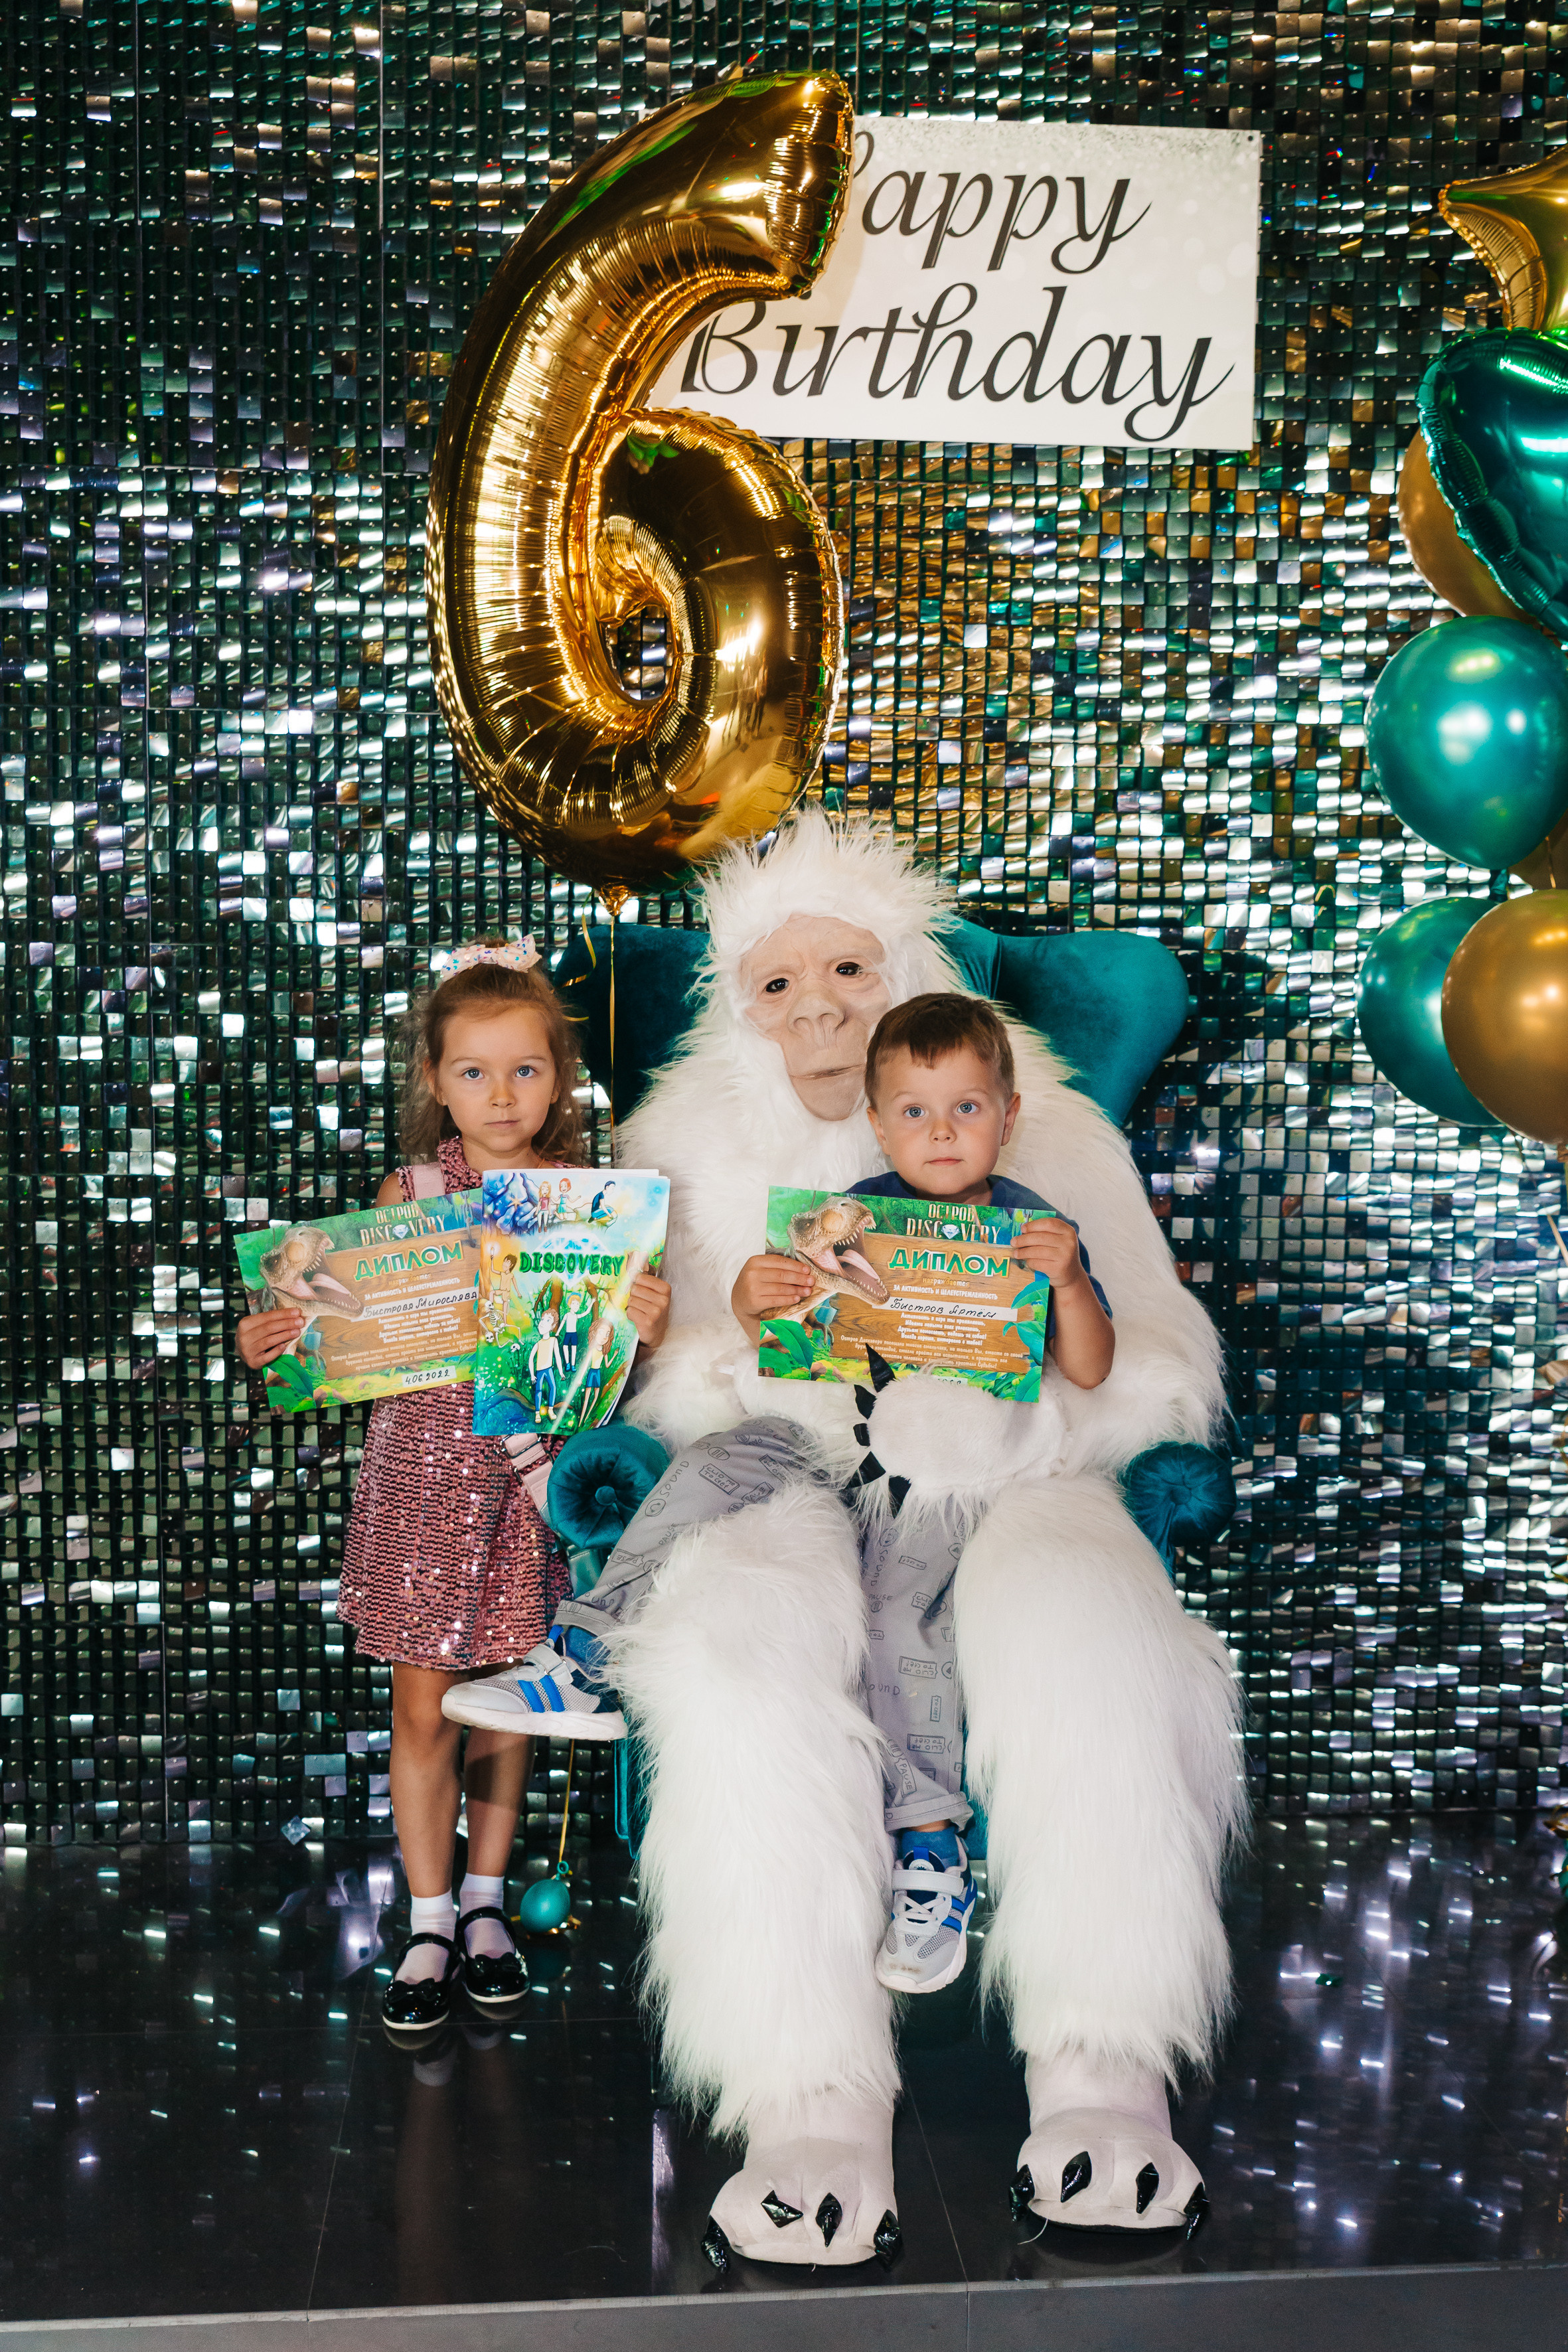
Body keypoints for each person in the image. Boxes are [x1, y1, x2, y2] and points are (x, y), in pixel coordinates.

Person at [235, 938, 671, 2046]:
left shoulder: (590, 1204)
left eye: (525, 1069)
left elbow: (610, 1379)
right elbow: (352, 1336)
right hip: (422, 1483)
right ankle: (428, 1922)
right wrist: (280, 1338)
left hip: (525, 1489)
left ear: (559, 1078)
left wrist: (647, 1329)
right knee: (423, 1712)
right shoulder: (410, 1192)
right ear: (436, 1079)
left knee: (503, 1710)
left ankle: (485, 1907)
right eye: (475, 1072)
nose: (501, 1094)